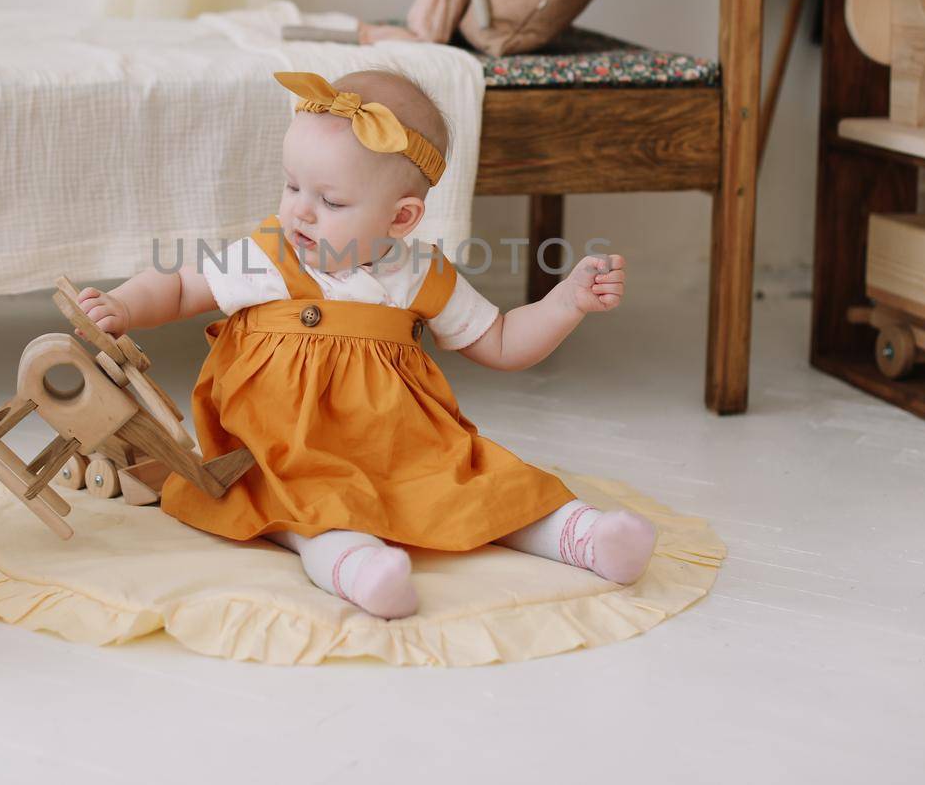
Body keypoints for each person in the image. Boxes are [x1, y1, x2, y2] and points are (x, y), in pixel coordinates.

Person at [76, 69, 654, 619]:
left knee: (477, 481)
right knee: (308, 505)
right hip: (284, 441)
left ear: (401, 218)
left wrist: (565, 304)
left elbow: (501, 341)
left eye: (331, 201)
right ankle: (359, 568)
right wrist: (124, 304)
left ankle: (585, 536)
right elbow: (179, 286)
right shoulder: (269, 256)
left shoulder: (420, 274)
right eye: (292, 184)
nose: (300, 209)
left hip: (400, 441)